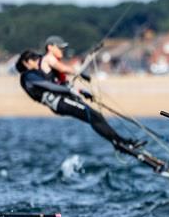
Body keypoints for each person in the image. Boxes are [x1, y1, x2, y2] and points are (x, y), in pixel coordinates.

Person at [16, 49, 144, 156]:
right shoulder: (28, 76)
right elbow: (49, 87)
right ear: (26, 62)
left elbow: (55, 84)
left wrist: (79, 91)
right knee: (94, 117)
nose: (38, 61)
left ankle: (120, 142)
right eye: (35, 59)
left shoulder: (35, 74)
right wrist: (70, 89)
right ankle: (119, 143)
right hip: (60, 102)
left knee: (96, 117)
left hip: (63, 100)